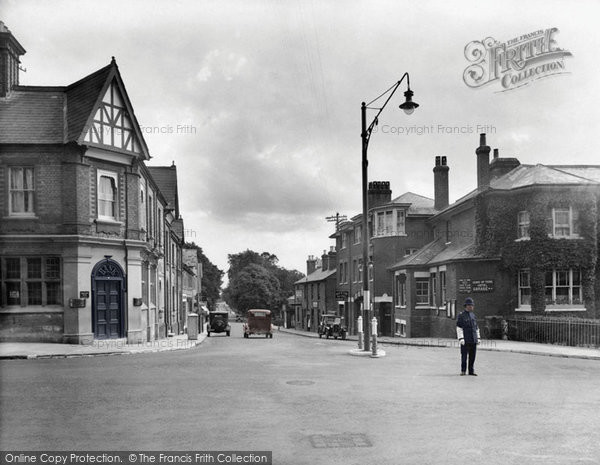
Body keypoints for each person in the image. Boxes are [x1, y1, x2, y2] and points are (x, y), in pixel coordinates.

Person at [456, 297, 480, 376]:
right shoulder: (461, 316)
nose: (471, 307)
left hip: (473, 339)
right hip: (465, 339)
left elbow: (476, 327)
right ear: (466, 306)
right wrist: (461, 338)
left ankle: (471, 371)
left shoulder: (473, 315)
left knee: (472, 356)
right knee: (464, 356)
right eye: (470, 305)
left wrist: (478, 337)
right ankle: (463, 370)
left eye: (472, 305)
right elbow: (459, 328)